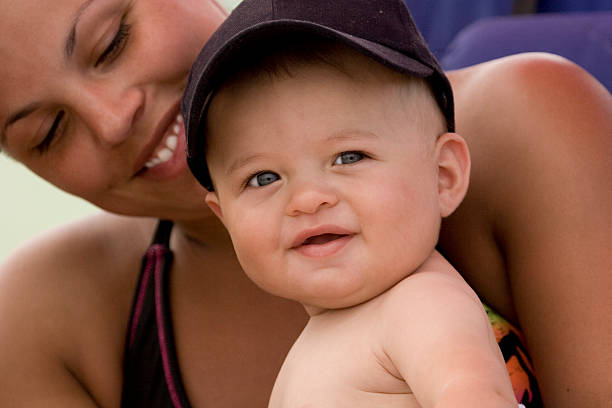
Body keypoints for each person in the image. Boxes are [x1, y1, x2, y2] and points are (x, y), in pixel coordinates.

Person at [0, 0, 609, 407]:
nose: (111, 121)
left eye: (113, 42)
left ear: (448, 171)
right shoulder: (45, 320)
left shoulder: (528, 125)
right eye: (47, 132)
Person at [185, 2, 522, 405]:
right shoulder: (345, 328)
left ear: (442, 176)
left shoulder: (421, 307)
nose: (307, 200)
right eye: (263, 178)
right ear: (226, 218)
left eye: (349, 157)